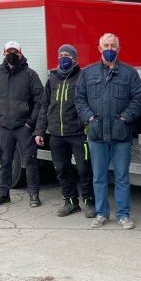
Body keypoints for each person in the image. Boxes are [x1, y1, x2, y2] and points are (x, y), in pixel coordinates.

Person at [74, 33, 141, 229]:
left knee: (122, 177)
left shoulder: (129, 73)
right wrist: (89, 117)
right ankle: (102, 213)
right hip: (97, 134)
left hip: (121, 135)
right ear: (99, 48)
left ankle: (123, 214)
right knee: (99, 177)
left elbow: (138, 99)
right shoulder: (87, 73)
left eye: (113, 46)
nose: (110, 49)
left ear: (119, 49)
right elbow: (79, 99)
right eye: (106, 45)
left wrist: (125, 118)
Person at [35, 44, 95, 218]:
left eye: (67, 55)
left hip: (78, 133)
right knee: (61, 169)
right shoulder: (52, 79)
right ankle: (70, 202)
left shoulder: (82, 77)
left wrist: (89, 129)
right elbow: (44, 106)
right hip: (56, 134)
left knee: (84, 169)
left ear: (75, 58)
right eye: (61, 54)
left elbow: (89, 104)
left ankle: (89, 202)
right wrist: (40, 131)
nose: (63, 57)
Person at [0, 41, 44, 208]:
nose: (12, 54)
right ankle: (3, 194)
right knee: (5, 161)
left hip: (24, 127)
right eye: (8, 52)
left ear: (20, 54)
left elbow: (40, 100)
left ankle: (34, 194)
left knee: (30, 161)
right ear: (4, 54)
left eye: (15, 52)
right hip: (3, 127)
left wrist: (31, 123)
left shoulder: (30, 74)